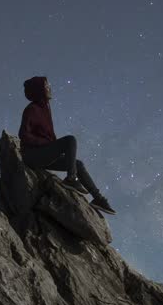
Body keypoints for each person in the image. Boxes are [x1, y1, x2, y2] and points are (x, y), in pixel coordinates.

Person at [18, 76, 116, 215]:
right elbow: (24, 135)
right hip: (32, 156)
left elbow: (47, 136)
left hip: (43, 155)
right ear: (39, 90)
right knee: (70, 140)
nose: (49, 88)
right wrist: (48, 145)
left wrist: (54, 149)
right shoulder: (32, 109)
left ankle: (98, 199)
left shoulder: (45, 108)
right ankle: (71, 179)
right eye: (46, 86)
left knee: (78, 164)